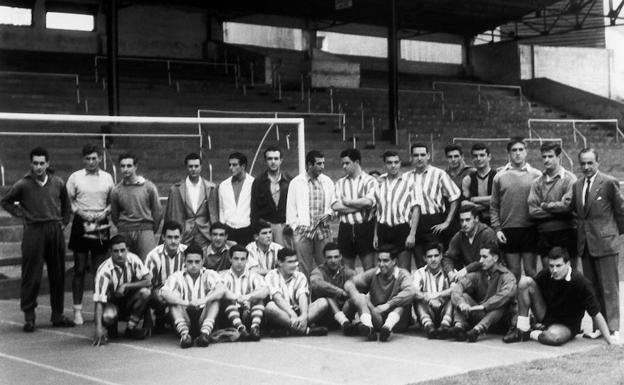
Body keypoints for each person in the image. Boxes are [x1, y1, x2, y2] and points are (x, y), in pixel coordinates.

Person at [1, 147, 74, 331]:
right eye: (35, 163)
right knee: (31, 274)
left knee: (57, 274)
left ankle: (57, 314)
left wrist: (64, 222)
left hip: (54, 229)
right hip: (34, 230)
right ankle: (29, 317)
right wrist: (22, 214)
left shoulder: (57, 182)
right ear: (30, 164)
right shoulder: (23, 184)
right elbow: (5, 201)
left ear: (48, 163)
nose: (39, 167)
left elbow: (66, 204)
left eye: (42, 163)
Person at [503, 247, 615, 346]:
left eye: (558, 266)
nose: (554, 270)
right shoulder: (546, 274)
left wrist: (609, 341)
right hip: (545, 315)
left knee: (553, 338)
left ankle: (532, 333)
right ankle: (522, 330)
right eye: (551, 266)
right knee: (524, 282)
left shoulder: (580, 282)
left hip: (567, 325)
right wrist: (517, 316)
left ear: (568, 264)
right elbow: (527, 292)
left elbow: (596, 314)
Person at [571, 147, 624, 338]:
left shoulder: (609, 182)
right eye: (583, 163)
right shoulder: (577, 185)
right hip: (585, 245)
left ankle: (614, 329)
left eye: (590, 163)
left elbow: (621, 211)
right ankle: (598, 328)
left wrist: (613, 235)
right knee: (592, 289)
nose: (586, 167)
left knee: (609, 288)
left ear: (597, 163)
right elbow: (575, 212)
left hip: (605, 243)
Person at [66, 144, 115, 325]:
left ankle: (99, 309)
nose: (91, 161)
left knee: (99, 270)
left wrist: (105, 212)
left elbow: (113, 201)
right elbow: (69, 201)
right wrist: (79, 212)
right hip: (82, 222)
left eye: (94, 158)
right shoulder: (75, 177)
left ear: (100, 159)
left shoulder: (108, 177)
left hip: (101, 222)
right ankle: (77, 310)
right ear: (83, 159)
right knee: (79, 269)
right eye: (88, 158)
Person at [490, 137, 541, 280]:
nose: (517, 153)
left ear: (526, 152)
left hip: (530, 229)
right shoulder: (499, 176)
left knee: (531, 271)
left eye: (521, 150)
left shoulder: (536, 175)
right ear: (509, 153)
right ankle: (516, 303)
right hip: (508, 230)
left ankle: (535, 302)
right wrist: (497, 229)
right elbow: (494, 205)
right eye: (514, 150)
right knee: (513, 272)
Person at [160, 244, 226, 348]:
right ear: (184, 261)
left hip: (203, 316)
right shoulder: (176, 276)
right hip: (184, 316)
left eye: (197, 262)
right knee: (173, 298)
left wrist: (203, 300)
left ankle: (204, 334)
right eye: (190, 262)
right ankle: (185, 336)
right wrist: (185, 302)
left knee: (215, 298)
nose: (194, 265)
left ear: (203, 261)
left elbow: (222, 289)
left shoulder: (209, 274)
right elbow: (164, 293)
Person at [344, 246, 415, 342]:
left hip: (398, 322)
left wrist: (388, 305)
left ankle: (387, 328)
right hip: (377, 317)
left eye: (385, 261)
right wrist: (356, 295)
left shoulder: (403, 274)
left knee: (404, 301)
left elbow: (411, 291)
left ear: (394, 261)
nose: (381, 264)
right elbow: (349, 283)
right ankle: (368, 328)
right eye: (379, 260)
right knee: (361, 297)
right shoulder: (374, 272)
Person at [92, 235, 152, 346]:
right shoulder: (104, 271)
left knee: (146, 293)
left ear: (127, 250)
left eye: (122, 250)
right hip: (111, 302)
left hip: (128, 299)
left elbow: (148, 281)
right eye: (116, 251)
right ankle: (109, 327)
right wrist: (98, 328)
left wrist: (126, 285)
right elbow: (99, 301)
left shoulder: (134, 259)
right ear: (110, 252)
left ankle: (130, 328)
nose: (120, 254)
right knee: (108, 317)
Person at [450, 246, 517, 343]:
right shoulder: (478, 273)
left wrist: (483, 306)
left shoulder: (507, 276)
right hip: (479, 314)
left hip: (498, 320)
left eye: (485, 257)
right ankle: (459, 328)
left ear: (495, 258)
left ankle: (477, 330)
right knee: (463, 296)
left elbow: (505, 295)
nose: (481, 260)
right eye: (480, 257)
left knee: (502, 304)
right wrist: (461, 304)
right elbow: (458, 287)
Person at [409, 143, 461, 267]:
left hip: (434, 221)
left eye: (422, 155)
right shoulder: (406, 177)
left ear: (428, 156)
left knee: (437, 261)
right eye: (416, 155)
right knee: (420, 262)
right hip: (415, 224)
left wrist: (447, 222)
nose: (419, 158)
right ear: (411, 157)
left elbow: (455, 197)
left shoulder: (439, 174)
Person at [286, 150, 335, 278]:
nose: (323, 167)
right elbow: (290, 209)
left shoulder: (327, 181)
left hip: (322, 230)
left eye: (323, 163)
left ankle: (324, 295)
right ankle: (305, 295)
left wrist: (329, 214)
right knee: (303, 268)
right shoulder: (296, 182)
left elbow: (334, 204)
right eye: (319, 164)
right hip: (303, 231)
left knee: (325, 266)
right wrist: (296, 227)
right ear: (309, 164)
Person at [528, 142, 577, 266]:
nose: (546, 160)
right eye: (544, 157)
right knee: (549, 273)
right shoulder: (537, 182)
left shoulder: (569, 179)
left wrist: (545, 206)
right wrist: (557, 212)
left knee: (569, 273)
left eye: (550, 156)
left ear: (559, 157)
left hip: (566, 232)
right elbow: (533, 211)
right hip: (544, 234)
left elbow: (567, 207)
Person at [264, 248, 329, 336]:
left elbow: (302, 296)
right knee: (270, 307)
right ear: (279, 262)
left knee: (323, 302)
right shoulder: (271, 275)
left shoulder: (300, 276)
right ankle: (305, 331)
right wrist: (292, 314)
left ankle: (289, 330)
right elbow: (277, 298)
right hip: (282, 312)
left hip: (298, 311)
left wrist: (304, 315)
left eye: (295, 261)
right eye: (290, 262)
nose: (294, 265)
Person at [373, 151, 422, 270]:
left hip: (402, 228)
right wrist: (375, 234)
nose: (393, 165)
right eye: (389, 163)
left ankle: (404, 289)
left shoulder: (409, 183)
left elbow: (416, 209)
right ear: (384, 164)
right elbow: (377, 211)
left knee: (404, 269)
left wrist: (412, 234)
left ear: (400, 164)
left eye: (396, 162)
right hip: (383, 229)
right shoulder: (379, 183)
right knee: (383, 268)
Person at [110, 152, 162, 261]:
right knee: (125, 265)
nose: (125, 169)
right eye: (122, 166)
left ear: (135, 166)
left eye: (129, 166)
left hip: (145, 228)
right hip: (125, 230)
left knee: (148, 263)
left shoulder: (148, 187)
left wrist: (150, 230)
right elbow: (114, 215)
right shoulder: (116, 190)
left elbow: (157, 211)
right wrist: (123, 226)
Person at [332, 148, 377, 270]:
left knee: (369, 268)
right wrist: (359, 206)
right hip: (345, 227)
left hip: (364, 226)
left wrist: (348, 202)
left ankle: (368, 290)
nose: (344, 166)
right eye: (342, 164)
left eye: (347, 163)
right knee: (346, 269)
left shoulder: (370, 181)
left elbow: (369, 202)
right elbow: (336, 206)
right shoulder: (340, 183)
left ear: (356, 162)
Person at [163, 152, 218, 249]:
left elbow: (214, 214)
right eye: (190, 166)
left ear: (201, 167)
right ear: (186, 168)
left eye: (196, 166)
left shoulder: (211, 188)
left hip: (204, 233)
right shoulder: (176, 189)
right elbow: (170, 215)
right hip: (184, 233)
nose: (193, 169)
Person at [145, 221, 187, 332]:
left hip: (179, 294)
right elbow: (147, 285)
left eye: (176, 237)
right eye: (169, 237)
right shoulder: (153, 256)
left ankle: (169, 318)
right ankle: (160, 316)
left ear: (181, 237)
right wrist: (147, 319)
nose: (173, 241)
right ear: (163, 237)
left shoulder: (187, 253)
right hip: (159, 293)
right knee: (157, 295)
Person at [221, 245, 269, 341]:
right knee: (226, 301)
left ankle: (254, 328)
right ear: (230, 259)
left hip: (250, 312)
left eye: (243, 259)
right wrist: (237, 299)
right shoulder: (223, 276)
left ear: (247, 260)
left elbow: (265, 290)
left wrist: (248, 297)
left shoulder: (254, 276)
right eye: (236, 259)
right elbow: (221, 291)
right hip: (230, 314)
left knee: (258, 299)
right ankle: (241, 329)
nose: (239, 262)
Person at [309, 242, 357, 334]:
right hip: (325, 317)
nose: (333, 260)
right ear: (324, 258)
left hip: (345, 311)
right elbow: (316, 283)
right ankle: (344, 322)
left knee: (355, 296)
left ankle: (359, 323)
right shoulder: (318, 271)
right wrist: (339, 292)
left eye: (336, 257)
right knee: (327, 296)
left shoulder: (348, 272)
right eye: (329, 257)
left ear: (341, 257)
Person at [443, 206, 498, 282]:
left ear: (476, 219)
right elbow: (448, 257)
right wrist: (450, 273)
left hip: (490, 276)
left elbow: (487, 259)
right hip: (470, 277)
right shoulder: (459, 236)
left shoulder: (487, 233)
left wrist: (466, 270)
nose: (464, 224)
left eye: (467, 220)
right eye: (461, 220)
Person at [251, 146, 292, 246]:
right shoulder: (258, 181)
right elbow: (254, 208)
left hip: (284, 226)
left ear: (281, 160)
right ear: (265, 160)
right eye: (270, 159)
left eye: (276, 158)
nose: (273, 162)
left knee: (284, 256)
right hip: (266, 226)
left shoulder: (289, 180)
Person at [413, 244, 454, 339]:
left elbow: (456, 289)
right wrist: (429, 300)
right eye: (429, 256)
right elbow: (414, 291)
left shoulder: (449, 272)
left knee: (454, 296)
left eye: (436, 256)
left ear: (441, 256)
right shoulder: (420, 273)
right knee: (417, 298)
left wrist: (438, 295)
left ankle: (444, 326)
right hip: (428, 310)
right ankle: (429, 327)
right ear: (424, 258)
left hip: (445, 310)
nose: (433, 259)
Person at [218, 152, 255, 245]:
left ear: (243, 166)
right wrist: (223, 226)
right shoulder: (223, 185)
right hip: (229, 229)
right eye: (230, 165)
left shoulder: (253, 183)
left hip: (247, 229)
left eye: (234, 165)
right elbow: (221, 208)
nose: (231, 168)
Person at [462, 143, 496, 226]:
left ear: (489, 157)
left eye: (482, 155)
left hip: (496, 221)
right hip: (476, 223)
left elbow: (500, 201)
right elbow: (465, 204)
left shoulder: (498, 177)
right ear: (472, 159)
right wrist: (489, 202)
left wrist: (474, 199)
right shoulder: (467, 180)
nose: (478, 158)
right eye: (475, 156)